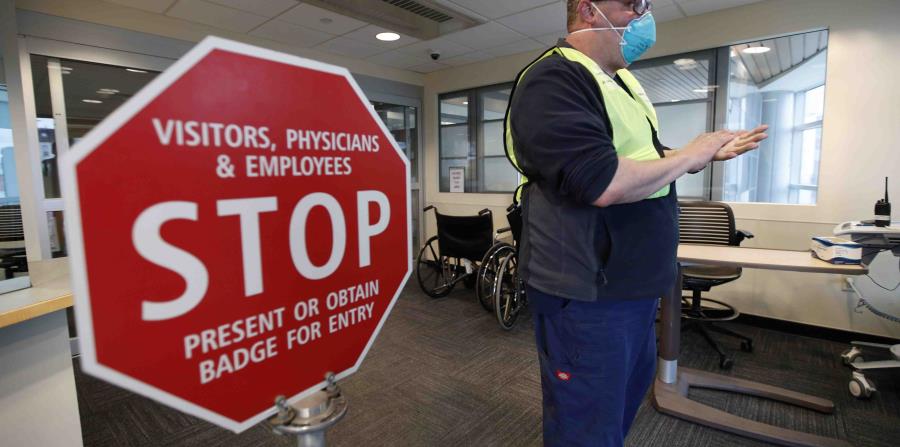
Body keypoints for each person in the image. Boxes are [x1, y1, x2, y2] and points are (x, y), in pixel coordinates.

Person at [503, 1, 768, 445]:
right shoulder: (554, 79)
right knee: (587, 426)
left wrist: (695, 155)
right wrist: (690, 155)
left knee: (616, 413)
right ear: (588, 10)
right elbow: (601, 181)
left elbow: (643, 158)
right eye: (632, 4)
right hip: (588, 294)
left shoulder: (621, 82)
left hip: (633, 286)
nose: (643, 16)